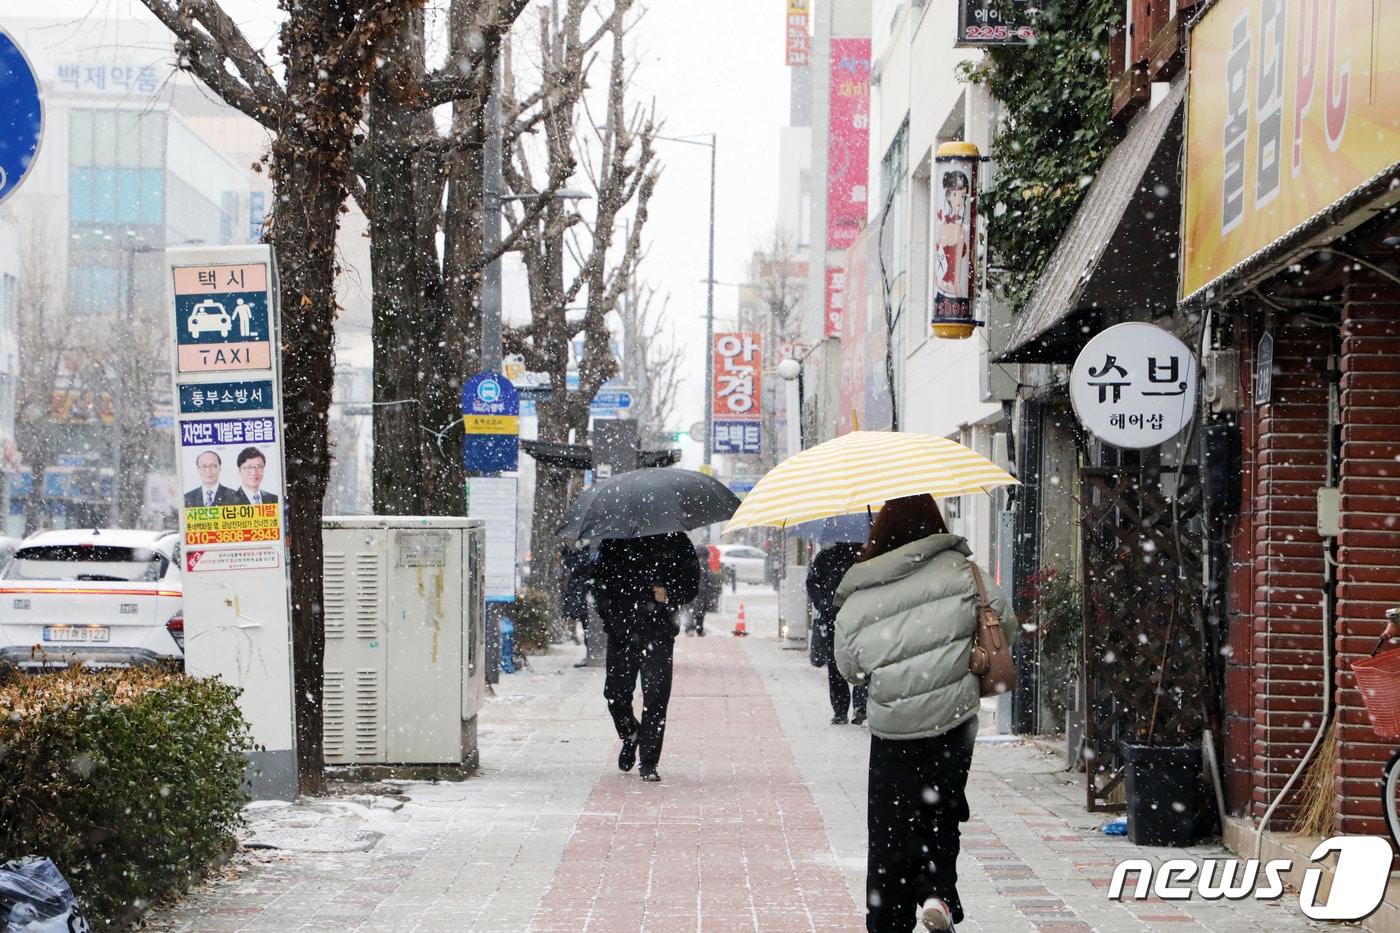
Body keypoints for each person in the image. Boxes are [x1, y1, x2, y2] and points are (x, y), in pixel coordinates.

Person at [834, 494, 1016, 933]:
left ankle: (889, 917)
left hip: (893, 726)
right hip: (953, 721)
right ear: (936, 523)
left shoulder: (861, 588)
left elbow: (849, 667)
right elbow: (1004, 624)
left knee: (891, 825)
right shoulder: (963, 571)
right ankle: (938, 893)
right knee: (942, 811)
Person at [589, 532, 700, 783]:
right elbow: (597, 583)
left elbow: (692, 583)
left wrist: (669, 593)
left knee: (656, 696)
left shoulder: (676, 541)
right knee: (615, 696)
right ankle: (631, 734)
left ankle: (649, 761)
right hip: (621, 632)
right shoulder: (615, 540)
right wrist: (609, 616)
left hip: (659, 633)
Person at [806, 541, 866, 725]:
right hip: (849, 616)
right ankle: (855, 706)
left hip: (848, 615)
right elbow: (812, 583)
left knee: (843, 662)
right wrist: (823, 603)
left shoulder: (858, 556)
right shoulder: (862, 556)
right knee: (852, 661)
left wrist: (823, 602)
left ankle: (850, 708)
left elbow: (812, 583)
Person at [560, 541, 593, 667]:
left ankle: (590, 654)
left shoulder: (588, 550)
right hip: (584, 595)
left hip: (586, 595)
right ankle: (590, 654)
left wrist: (567, 553)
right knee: (586, 625)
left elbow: (575, 565)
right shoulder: (586, 550)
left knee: (587, 625)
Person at [687, 541, 714, 637]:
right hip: (702, 592)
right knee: (700, 613)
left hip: (691, 592)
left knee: (690, 611)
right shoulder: (706, 565)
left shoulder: (690, 563)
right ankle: (699, 629)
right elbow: (709, 580)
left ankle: (689, 629)